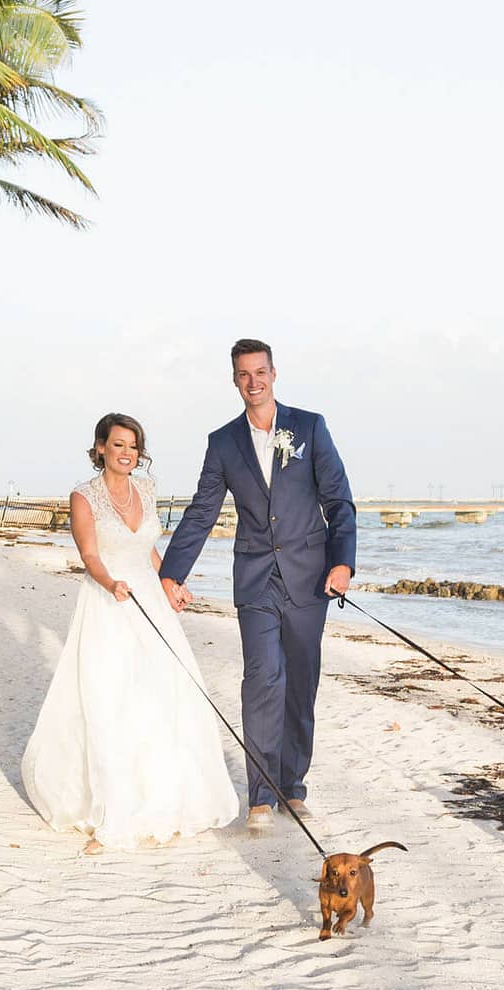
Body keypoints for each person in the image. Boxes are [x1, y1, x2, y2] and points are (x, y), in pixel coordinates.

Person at [159, 339, 357, 829]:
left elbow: (338, 500)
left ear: (274, 373)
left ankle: (293, 787)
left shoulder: (310, 427)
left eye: (261, 372)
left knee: (300, 685)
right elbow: (202, 512)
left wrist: (343, 563)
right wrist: (171, 573)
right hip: (254, 580)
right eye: (244, 374)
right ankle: (262, 795)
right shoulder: (223, 442)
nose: (254, 382)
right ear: (234, 380)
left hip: (311, 579)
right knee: (262, 677)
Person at [22, 414, 239, 854]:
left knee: (164, 696)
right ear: (101, 447)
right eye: (118, 445)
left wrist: (170, 583)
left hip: (150, 601)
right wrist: (110, 584)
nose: (126, 453)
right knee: (110, 701)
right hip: (109, 602)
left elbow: (149, 549)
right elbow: (89, 553)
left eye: (133, 446)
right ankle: (109, 811)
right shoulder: (84, 496)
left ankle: (162, 800)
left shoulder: (147, 489)